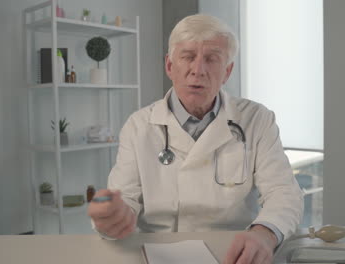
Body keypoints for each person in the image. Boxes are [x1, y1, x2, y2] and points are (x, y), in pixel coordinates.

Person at [88, 14, 303, 264]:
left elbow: (283, 192)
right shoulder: (139, 126)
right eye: (188, 56)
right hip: (159, 253)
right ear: (169, 66)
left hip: (235, 252)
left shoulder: (257, 120)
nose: (198, 70)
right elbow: (123, 198)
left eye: (212, 59)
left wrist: (265, 234)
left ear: (227, 71)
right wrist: (114, 217)